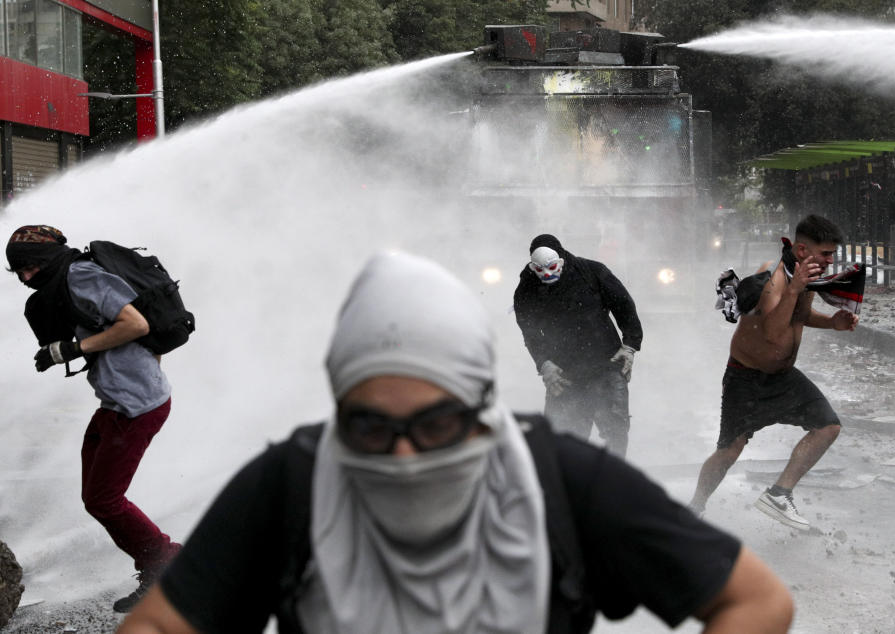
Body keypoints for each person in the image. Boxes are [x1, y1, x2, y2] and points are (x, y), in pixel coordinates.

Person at [118, 251, 793, 634]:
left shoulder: (562, 479)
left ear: (481, 405)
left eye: (436, 425)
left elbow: (756, 600)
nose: (404, 455)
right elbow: (158, 624)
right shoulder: (290, 482)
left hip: (603, 371)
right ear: (338, 408)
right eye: (371, 428)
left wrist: (630, 347)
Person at [6, 225, 180, 612]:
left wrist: (72, 349)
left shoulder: (80, 274)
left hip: (136, 408)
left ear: (47, 258)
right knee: (96, 498)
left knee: (105, 500)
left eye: (30, 267)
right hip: (115, 405)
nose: (25, 277)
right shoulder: (65, 281)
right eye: (18, 271)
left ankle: (166, 565)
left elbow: (137, 324)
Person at [690, 214, 857, 531]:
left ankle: (779, 494)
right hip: (746, 379)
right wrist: (794, 289)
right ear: (803, 250)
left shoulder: (803, 278)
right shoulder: (774, 279)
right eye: (825, 254)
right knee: (729, 451)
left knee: (828, 426)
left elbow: (802, 316)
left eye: (832, 255)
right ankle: (695, 507)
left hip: (783, 377)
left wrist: (833, 322)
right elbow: (772, 331)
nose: (830, 261)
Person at [513, 234, 642, 457]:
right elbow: (531, 332)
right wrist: (544, 364)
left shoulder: (592, 272)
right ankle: (571, 488)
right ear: (532, 267)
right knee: (564, 441)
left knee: (615, 433)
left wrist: (630, 345)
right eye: (540, 271)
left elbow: (624, 306)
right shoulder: (527, 288)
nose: (548, 274)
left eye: (553, 267)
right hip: (564, 373)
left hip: (607, 364)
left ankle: (612, 484)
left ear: (561, 259)